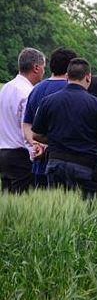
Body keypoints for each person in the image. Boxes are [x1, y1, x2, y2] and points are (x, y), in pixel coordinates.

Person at [32, 58, 97, 199]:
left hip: (56, 164)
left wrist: (55, 139)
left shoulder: (48, 101)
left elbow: (36, 134)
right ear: (88, 77)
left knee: (58, 210)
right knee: (87, 212)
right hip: (86, 165)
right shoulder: (95, 103)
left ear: (67, 76)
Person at [22, 47, 77, 188]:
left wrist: (36, 144)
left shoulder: (36, 89)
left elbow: (27, 123)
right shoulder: (72, 90)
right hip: (66, 162)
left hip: (39, 163)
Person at [0, 47, 45, 193]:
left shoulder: (6, 88)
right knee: (22, 197)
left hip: (3, 151)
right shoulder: (28, 92)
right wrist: (35, 149)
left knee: (7, 200)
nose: (44, 72)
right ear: (36, 68)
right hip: (20, 154)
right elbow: (26, 125)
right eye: (44, 68)